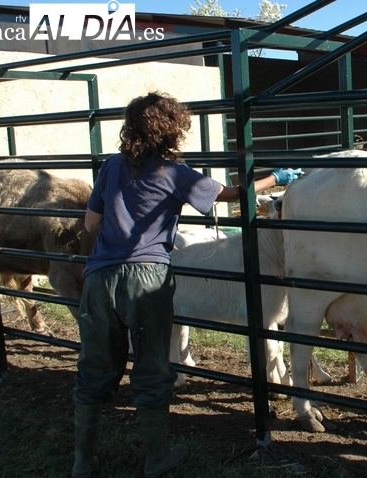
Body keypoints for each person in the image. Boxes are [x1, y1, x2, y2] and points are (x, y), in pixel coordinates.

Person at [71, 91, 301, 478]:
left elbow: (90, 224)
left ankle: (82, 461)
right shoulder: (173, 171)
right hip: (146, 278)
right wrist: (273, 178)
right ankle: (156, 457)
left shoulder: (111, 167)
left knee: (93, 367)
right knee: (151, 367)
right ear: (172, 129)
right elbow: (225, 196)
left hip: (99, 276)